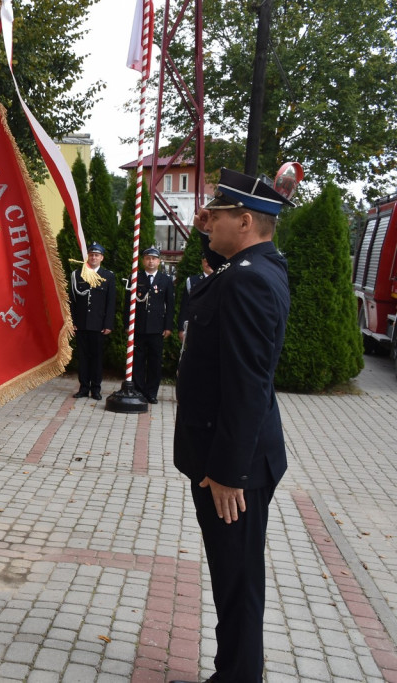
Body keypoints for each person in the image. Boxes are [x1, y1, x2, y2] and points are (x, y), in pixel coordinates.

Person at [172, 168, 293, 683]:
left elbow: (247, 386)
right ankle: (234, 673)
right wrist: (208, 231)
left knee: (238, 582)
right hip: (232, 459)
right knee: (231, 578)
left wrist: (226, 473)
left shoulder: (246, 279)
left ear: (244, 222)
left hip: (232, 469)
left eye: (217, 215)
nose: (208, 221)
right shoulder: (256, 265)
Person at [69, 243, 116, 400]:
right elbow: (73, 301)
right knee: (82, 357)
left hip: (98, 325)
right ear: (87, 257)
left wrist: (108, 323)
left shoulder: (108, 276)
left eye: (97, 255)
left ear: (102, 258)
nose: (94, 257)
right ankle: (83, 387)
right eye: (91, 255)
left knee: (96, 358)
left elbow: (111, 302)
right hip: (81, 323)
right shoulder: (78, 275)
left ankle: (96, 389)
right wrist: (72, 321)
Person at [132, 246, 174, 403]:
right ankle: (138, 390)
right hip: (139, 326)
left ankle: (151, 392)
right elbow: (128, 303)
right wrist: (127, 324)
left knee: (155, 361)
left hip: (157, 328)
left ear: (159, 261)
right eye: (148, 258)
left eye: (154, 258)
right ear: (143, 260)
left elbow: (170, 305)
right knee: (138, 360)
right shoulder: (136, 278)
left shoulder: (166, 280)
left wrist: (168, 326)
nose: (151, 261)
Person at [177, 256, 213, 342]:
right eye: (205, 261)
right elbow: (185, 306)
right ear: (202, 263)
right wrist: (182, 329)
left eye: (211, 261)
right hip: (195, 326)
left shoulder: (222, 279)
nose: (208, 264)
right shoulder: (192, 281)